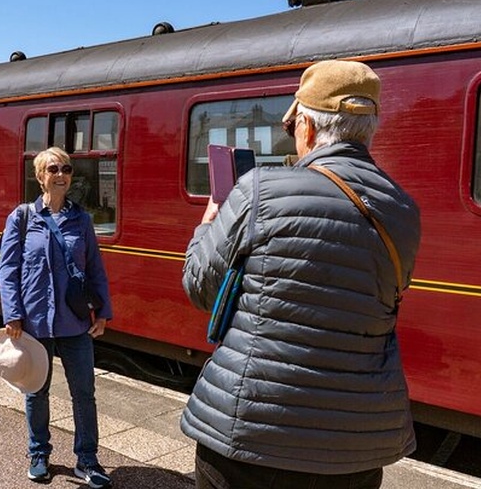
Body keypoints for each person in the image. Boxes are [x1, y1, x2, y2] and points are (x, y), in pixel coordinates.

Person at [180, 60, 422, 489]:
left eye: (292, 125)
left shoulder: (260, 189)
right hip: (357, 443)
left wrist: (207, 224)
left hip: (253, 430)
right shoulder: (403, 210)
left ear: (306, 125)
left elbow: (200, 286)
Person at [0, 146, 114, 488]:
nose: (61, 175)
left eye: (66, 169)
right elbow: (8, 270)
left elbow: (95, 269)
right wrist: (13, 314)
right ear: (40, 176)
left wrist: (103, 312)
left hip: (74, 322)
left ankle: (87, 460)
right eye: (53, 169)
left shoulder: (82, 220)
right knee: (36, 392)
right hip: (34, 321)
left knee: (84, 394)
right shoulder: (21, 218)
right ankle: (39, 454)